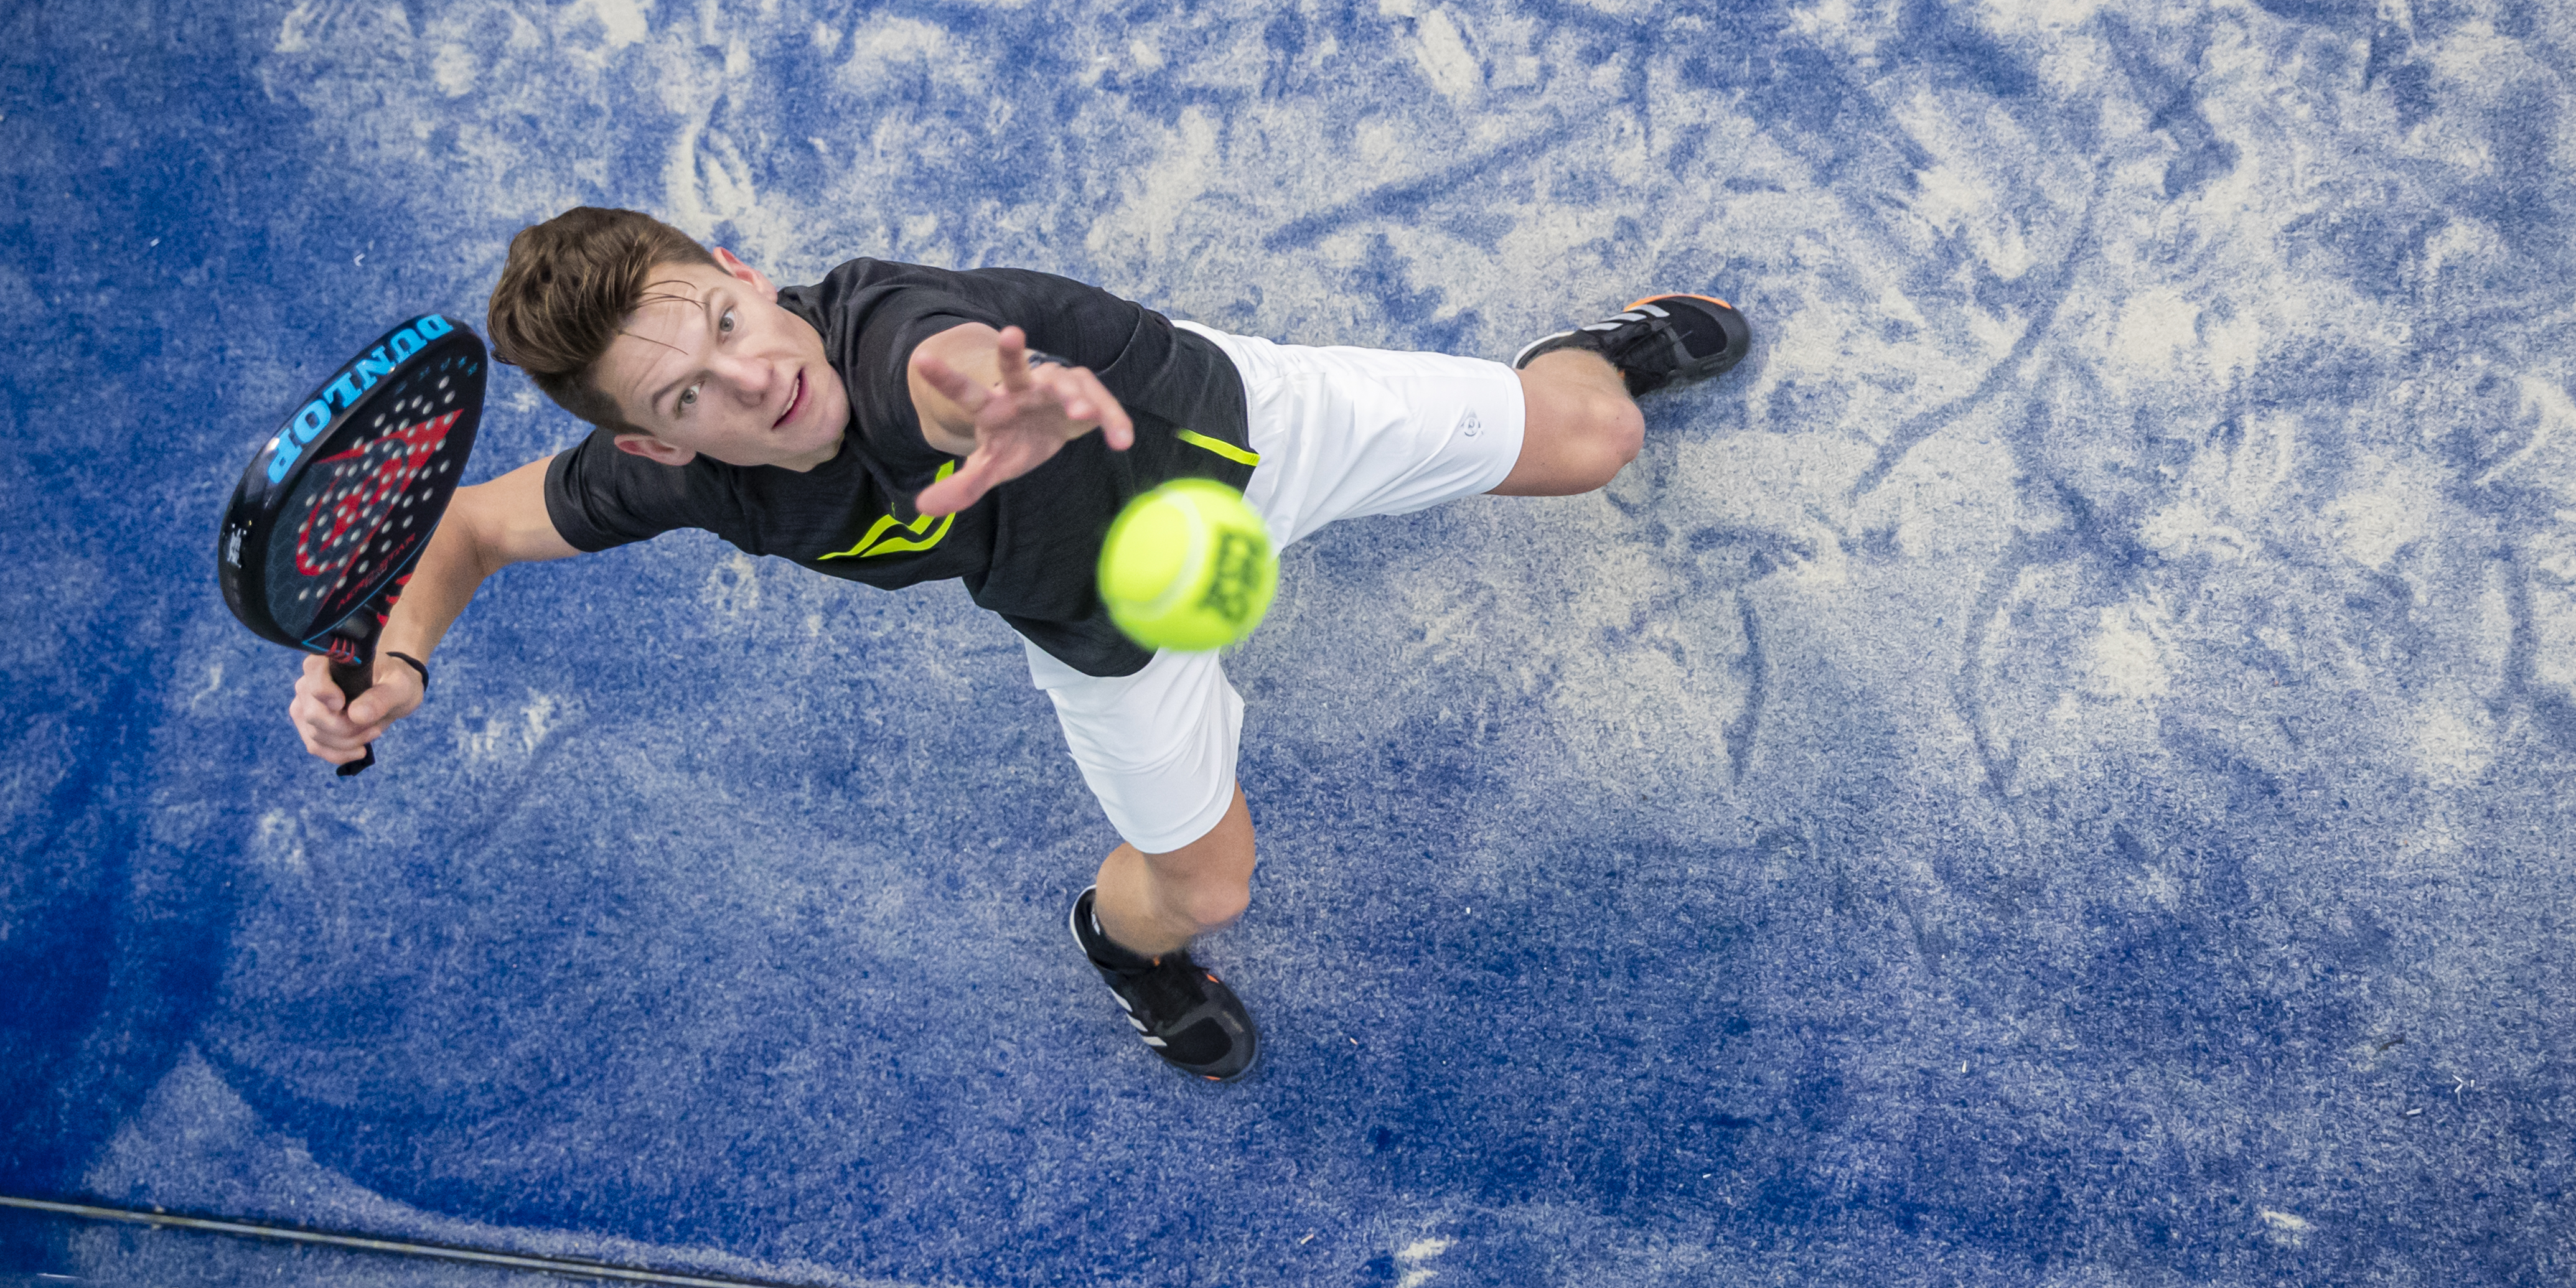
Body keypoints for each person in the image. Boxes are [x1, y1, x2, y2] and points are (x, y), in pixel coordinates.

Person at [287, 207, 1750, 1083]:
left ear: (742, 268)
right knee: (1203, 886)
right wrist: (398, 658)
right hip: (1108, 631)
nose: (754, 380)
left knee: (1593, 438)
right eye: (691, 397)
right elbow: (469, 529)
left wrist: (999, 400)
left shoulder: (892, 336)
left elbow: (944, 360)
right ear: (643, 441)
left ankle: (1585, 349)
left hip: (1252, 434)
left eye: (733, 317)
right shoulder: (691, 477)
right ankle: (1114, 945)